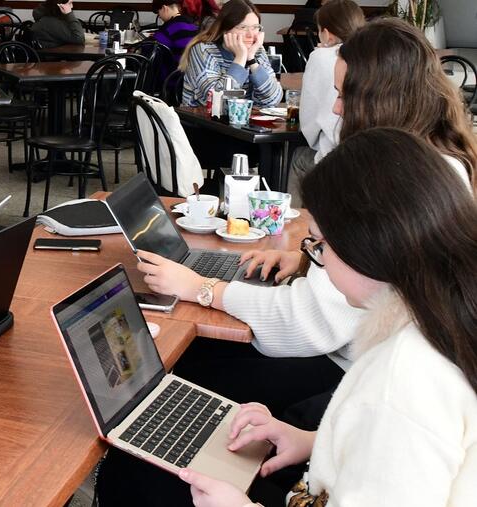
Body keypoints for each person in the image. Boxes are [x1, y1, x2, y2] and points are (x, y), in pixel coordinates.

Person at [175, 128, 477, 505]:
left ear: (370, 246)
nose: (319, 261)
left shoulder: (402, 382)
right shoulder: (449, 316)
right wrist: (313, 442)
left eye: (319, 245)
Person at [333, 18, 476, 189]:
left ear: (384, 103)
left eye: (346, 96)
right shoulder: (388, 157)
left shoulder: (432, 180)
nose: (335, 108)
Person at [287, 0, 365, 203]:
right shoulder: (371, 56)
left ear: (327, 33)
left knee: (297, 158)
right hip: (366, 156)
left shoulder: (322, 56)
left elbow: (308, 126)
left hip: (337, 159)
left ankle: (293, 224)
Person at [179, 0, 282, 107]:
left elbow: (273, 99)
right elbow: (216, 103)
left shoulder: (256, 50)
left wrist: (251, 60)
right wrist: (240, 59)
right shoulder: (204, 49)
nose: (251, 34)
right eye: (243, 27)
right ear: (225, 30)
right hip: (200, 121)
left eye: (255, 27)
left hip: (243, 120)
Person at [152, 0, 220, 64]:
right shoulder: (191, 24)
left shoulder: (169, 27)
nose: (159, 16)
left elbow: (149, 50)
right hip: (189, 68)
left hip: (173, 72)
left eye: (158, 12)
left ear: (164, 8)